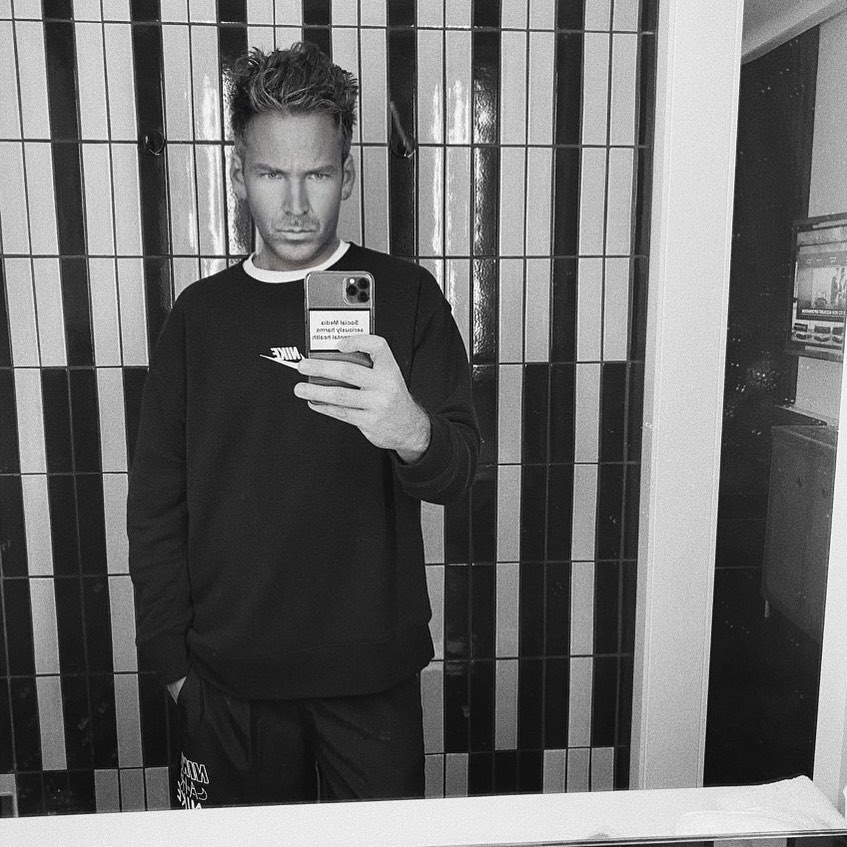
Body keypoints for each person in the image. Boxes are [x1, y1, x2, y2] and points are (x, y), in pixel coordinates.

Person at [127, 42, 479, 808]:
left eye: (316, 175)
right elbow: (156, 501)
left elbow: (459, 471)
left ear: (346, 175)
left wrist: (410, 429)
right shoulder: (199, 317)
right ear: (238, 175)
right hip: (228, 680)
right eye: (270, 174)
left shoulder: (406, 296)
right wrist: (172, 664)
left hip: (371, 676)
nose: (294, 204)